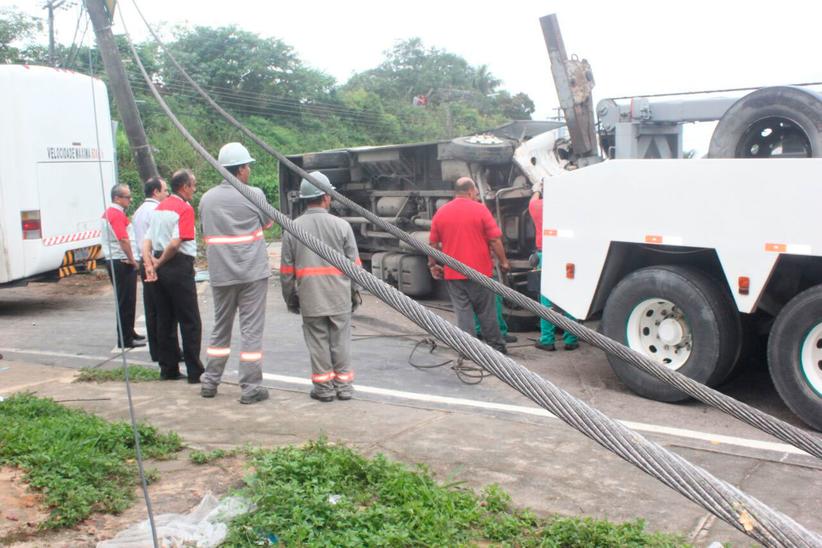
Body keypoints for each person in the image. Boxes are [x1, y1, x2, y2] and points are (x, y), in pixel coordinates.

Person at [199, 143, 272, 404]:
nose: (249, 170)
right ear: (240, 169)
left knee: (221, 328)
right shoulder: (254, 194)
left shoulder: (207, 198)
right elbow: (268, 222)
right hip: (252, 273)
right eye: (247, 166)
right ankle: (251, 387)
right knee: (251, 330)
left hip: (221, 274)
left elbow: (205, 229)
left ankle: (210, 381)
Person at [280, 171, 360, 403]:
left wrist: (290, 298)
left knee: (318, 343)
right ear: (326, 197)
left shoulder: (292, 228)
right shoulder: (342, 226)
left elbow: (287, 271)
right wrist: (354, 292)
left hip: (310, 296)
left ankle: (324, 389)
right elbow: (355, 267)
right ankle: (344, 387)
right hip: (339, 296)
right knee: (341, 342)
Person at [428, 177, 510, 354]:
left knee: (463, 313)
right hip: (480, 272)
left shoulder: (441, 212)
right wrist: (503, 262)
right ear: (471, 191)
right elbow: (495, 240)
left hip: (453, 274)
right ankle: (496, 347)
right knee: (486, 312)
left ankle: (467, 350)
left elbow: (433, 244)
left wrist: (432, 265)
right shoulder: (480, 210)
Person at [143, 169, 205, 382]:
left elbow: (147, 240)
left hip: (159, 264)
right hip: (177, 265)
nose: (194, 190)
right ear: (185, 186)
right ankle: (195, 372)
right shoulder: (184, 209)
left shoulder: (159, 208)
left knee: (165, 319)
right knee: (190, 320)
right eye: (193, 185)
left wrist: (150, 263)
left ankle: (168, 369)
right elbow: (177, 242)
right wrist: (160, 262)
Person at [132, 176, 179, 362]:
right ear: (156, 192)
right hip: (154, 262)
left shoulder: (139, 211)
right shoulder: (156, 210)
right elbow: (160, 240)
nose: (167, 194)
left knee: (152, 310)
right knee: (165, 312)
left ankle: (157, 352)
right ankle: (168, 353)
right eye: (165, 190)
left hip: (144, 261)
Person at [528, 183, 578, 351]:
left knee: (547, 299)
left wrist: (536, 189)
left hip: (547, 255)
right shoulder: (569, 205)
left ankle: (547, 340)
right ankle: (571, 339)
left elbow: (532, 202)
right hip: (570, 254)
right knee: (570, 296)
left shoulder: (538, 206)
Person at [101, 184, 145, 349]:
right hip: (121, 261)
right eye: (127, 197)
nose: (130, 200)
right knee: (126, 300)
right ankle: (125, 338)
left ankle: (129, 331)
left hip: (118, 259)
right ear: (117, 198)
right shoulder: (115, 214)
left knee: (128, 299)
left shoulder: (113, 213)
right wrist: (132, 259)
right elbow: (123, 239)